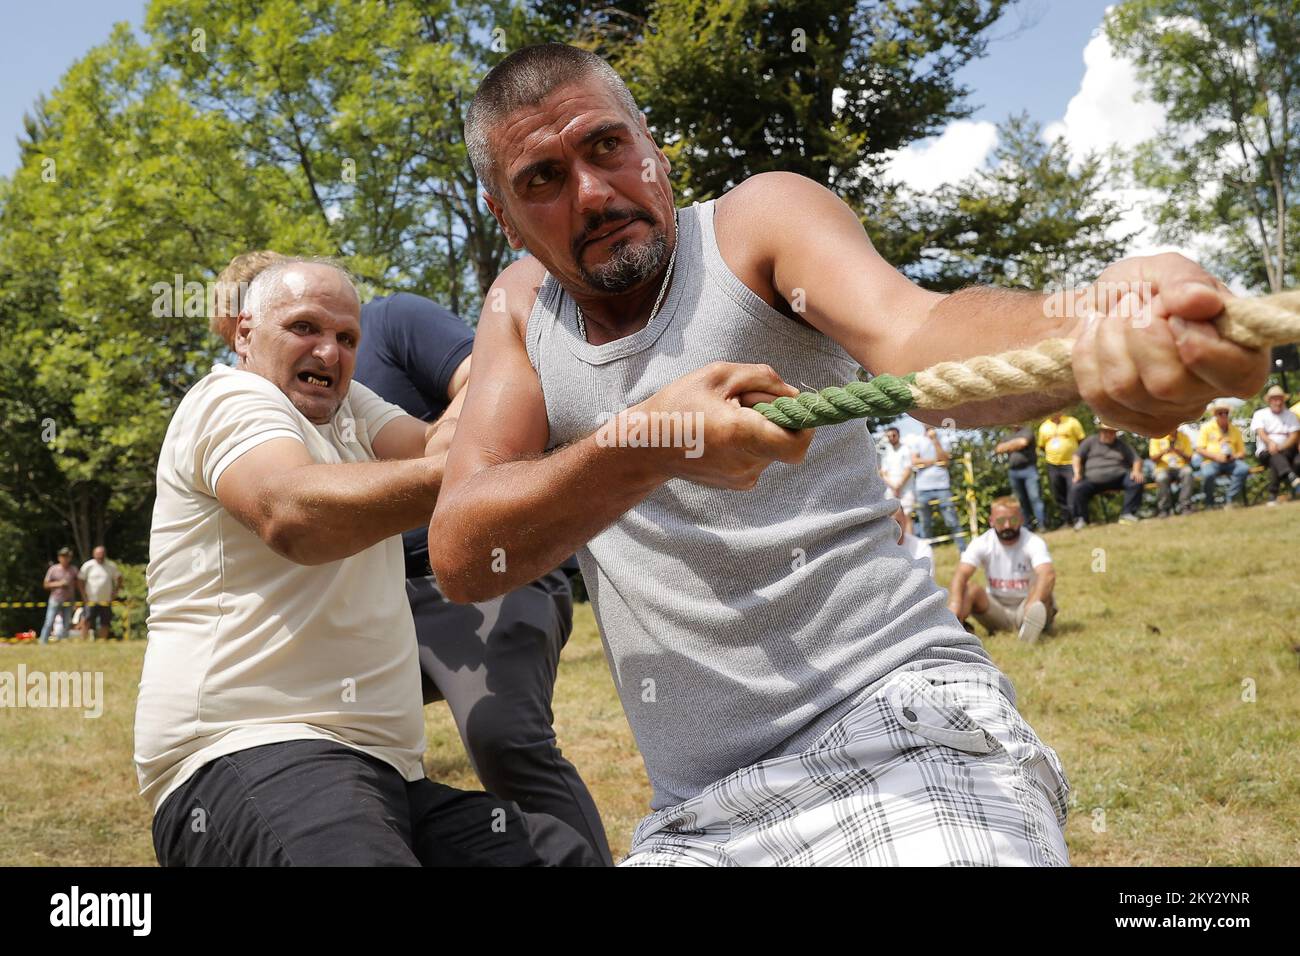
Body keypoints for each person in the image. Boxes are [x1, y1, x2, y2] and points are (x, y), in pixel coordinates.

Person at [430, 43, 1265, 866]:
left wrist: (1093, 319)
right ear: (503, 216)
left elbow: (918, 336)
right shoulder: (520, 309)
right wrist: (646, 445)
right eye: (542, 179)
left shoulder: (756, 223)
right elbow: (465, 551)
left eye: (607, 145)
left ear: (651, 143)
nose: (593, 192)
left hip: (901, 728)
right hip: (698, 817)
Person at [135, 257, 600, 867]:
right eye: (305, 328)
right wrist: (492, 470)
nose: (329, 353)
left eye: (346, 338)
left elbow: (443, 445)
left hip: (386, 776)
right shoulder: (230, 396)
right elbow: (293, 515)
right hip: (251, 751)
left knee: (557, 856)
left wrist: (496, 350)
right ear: (244, 334)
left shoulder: (350, 405)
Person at [947, 498, 1056, 644]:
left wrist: (1032, 605)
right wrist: (954, 605)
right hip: (997, 610)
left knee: (1043, 588)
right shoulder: (982, 542)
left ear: (1021, 519)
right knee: (969, 589)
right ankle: (954, 629)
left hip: (1026, 605)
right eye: (1000, 521)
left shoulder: (1033, 542)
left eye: (1013, 520)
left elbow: (1047, 574)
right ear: (991, 521)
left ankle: (1031, 626)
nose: (1007, 526)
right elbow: (961, 575)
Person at [1069, 421, 1145, 528]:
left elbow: (1136, 459)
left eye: (1112, 432)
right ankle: (1081, 520)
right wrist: (1077, 473)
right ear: (1101, 431)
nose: (1110, 434)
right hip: (1092, 480)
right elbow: (1076, 457)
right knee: (1077, 487)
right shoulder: (1090, 441)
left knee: (1136, 481)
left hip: (1118, 478)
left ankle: (1128, 514)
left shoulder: (1121, 444)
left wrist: (1136, 471)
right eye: (1107, 432)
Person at [909, 425, 968, 551]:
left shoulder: (943, 439)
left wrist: (935, 440)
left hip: (942, 487)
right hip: (922, 488)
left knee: (952, 520)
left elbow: (945, 461)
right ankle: (926, 554)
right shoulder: (917, 440)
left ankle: (963, 551)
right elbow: (914, 462)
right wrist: (934, 461)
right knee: (925, 524)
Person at [1249, 384, 1300, 505]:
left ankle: (1272, 496)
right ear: (1269, 400)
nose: (1278, 402)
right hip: (1265, 451)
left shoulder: (1290, 415)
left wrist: (1280, 447)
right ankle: (1291, 476)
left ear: (1283, 400)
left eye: (1280, 399)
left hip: (1286, 450)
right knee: (1274, 456)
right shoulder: (1260, 414)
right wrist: (1270, 443)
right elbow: (1260, 432)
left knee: (1276, 460)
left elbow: (1294, 435)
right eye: (1275, 399)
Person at [1197, 399, 1251, 508]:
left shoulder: (1235, 429)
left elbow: (1242, 452)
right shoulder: (1206, 428)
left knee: (1244, 468)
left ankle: (1230, 499)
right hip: (1211, 462)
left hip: (1231, 462)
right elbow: (1199, 449)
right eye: (1220, 413)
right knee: (1208, 474)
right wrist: (1216, 457)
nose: (1223, 415)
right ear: (1215, 414)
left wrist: (1233, 457)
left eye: (1226, 412)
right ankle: (1209, 503)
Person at [1037, 411, 1085, 528]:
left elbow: (1082, 441)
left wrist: (1080, 460)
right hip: (1052, 465)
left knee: (1073, 490)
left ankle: (1079, 518)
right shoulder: (1043, 427)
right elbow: (1042, 446)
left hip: (1071, 463)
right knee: (1058, 493)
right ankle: (1067, 521)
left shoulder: (1072, 422)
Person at [997, 423, 1046, 531]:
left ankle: (1042, 525)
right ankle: (1026, 527)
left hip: (1029, 470)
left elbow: (1023, 442)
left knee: (1035, 498)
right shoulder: (1007, 435)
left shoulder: (1027, 431)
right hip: (1013, 472)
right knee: (1020, 501)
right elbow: (999, 448)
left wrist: (1008, 446)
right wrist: (1015, 444)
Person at [1148, 427, 1196, 516]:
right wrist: (1164, 451)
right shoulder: (1156, 437)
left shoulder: (1184, 437)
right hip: (1162, 468)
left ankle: (1185, 506)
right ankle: (1164, 510)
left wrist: (1179, 452)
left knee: (1188, 472)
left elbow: (1189, 459)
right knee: (1162, 477)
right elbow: (1153, 459)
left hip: (1180, 466)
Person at [78, 545, 123, 641]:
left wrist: (115, 593)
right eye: (98, 554)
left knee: (105, 621)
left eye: (102, 554)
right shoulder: (88, 565)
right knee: (86, 620)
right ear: (94, 554)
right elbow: (80, 580)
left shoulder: (111, 566)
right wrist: (84, 595)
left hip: (106, 600)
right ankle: (83, 639)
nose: (100, 556)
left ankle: (102, 640)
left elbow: (119, 579)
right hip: (91, 600)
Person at [38, 547, 79, 644]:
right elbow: (46, 584)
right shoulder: (53, 569)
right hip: (55, 600)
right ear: (59, 557)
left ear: (70, 558)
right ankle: (43, 641)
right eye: (63, 556)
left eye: (67, 556)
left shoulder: (73, 569)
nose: (65, 558)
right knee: (49, 621)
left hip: (69, 600)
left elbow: (78, 584)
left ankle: (63, 642)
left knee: (66, 623)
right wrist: (59, 584)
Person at [878, 424, 916, 519]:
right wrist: (893, 487)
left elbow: (908, 469)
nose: (891, 438)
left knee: (907, 516)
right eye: (889, 436)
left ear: (898, 435)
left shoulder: (906, 449)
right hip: (891, 489)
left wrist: (898, 486)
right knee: (893, 517)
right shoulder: (886, 452)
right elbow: (883, 472)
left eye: (894, 435)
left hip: (906, 488)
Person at [892, 507, 933, 575]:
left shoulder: (922, 548)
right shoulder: (876, 552)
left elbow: (925, 581)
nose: (893, 528)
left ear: (905, 520)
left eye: (897, 523)